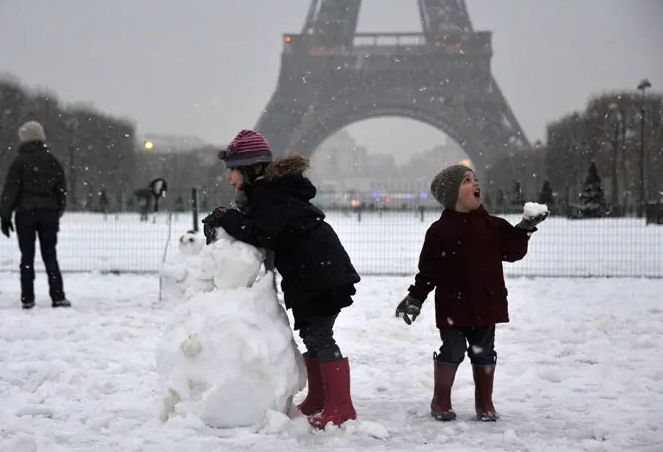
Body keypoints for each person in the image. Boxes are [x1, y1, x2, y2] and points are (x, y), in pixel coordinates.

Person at [203, 129, 360, 428]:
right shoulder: (271, 192)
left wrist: (226, 217)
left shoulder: (269, 194)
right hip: (313, 273)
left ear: (250, 168)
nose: (228, 178)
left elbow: (263, 233)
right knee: (312, 336)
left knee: (320, 337)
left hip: (318, 274)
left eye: (232, 170)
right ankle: (319, 397)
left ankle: (341, 406)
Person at [395, 164, 548, 422]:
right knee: (453, 350)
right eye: (467, 180)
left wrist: (524, 228)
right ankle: (441, 398)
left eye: (475, 179)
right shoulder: (438, 231)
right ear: (452, 193)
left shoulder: (494, 226)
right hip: (452, 305)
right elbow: (428, 273)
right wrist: (415, 298)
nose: (475, 183)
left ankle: (484, 402)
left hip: (486, 302)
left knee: (483, 351)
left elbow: (512, 252)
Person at [0, 121, 71, 310]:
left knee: (27, 257)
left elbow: (10, 191)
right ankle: (58, 296)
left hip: (25, 214)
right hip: (48, 214)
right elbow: (61, 189)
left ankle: (28, 297)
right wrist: (57, 210)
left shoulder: (18, 162)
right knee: (50, 255)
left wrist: (5, 216)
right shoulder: (52, 161)